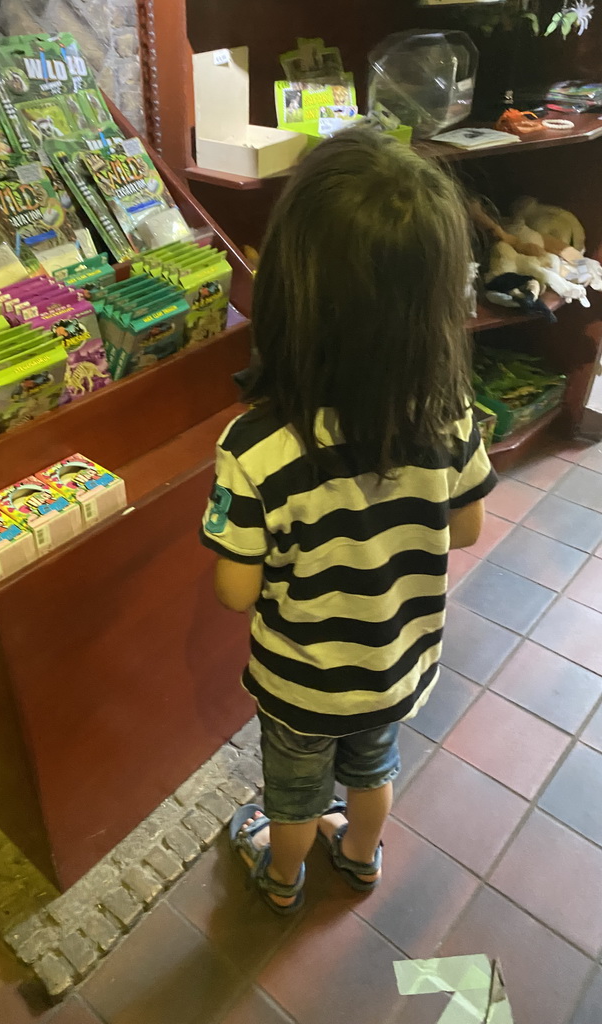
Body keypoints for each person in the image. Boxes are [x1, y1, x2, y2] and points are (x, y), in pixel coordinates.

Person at [199, 127, 496, 914]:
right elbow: (463, 531)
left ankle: (281, 873)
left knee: (292, 796)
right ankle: (361, 857)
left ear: (293, 288)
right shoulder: (450, 410)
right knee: (373, 771)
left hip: (302, 683)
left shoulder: (256, 446)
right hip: (396, 664)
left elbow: (235, 591)